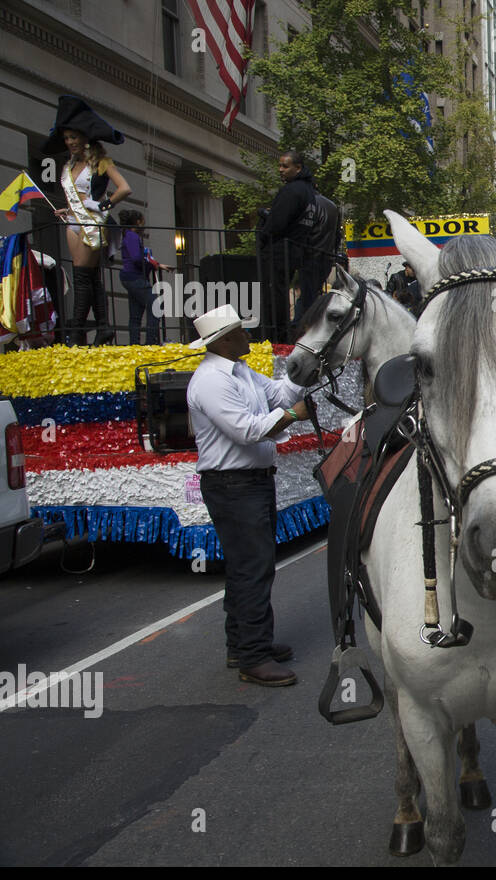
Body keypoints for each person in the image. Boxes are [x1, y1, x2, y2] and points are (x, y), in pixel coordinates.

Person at [186, 304, 310, 686]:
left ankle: (243, 644)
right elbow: (247, 430)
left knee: (248, 566)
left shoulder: (241, 372)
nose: (248, 338)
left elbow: (279, 393)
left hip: (248, 483)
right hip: (233, 485)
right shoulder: (211, 380)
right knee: (253, 568)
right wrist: (293, 415)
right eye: (241, 332)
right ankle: (253, 655)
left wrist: (305, 370)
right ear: (224, 341)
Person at [42, 94, 131, 346]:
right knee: (90, 277)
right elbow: (75, 197)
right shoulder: (68, 167)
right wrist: (65, 209)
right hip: (73, 221)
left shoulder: (101, 162)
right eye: (67, 138)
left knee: (82, 277)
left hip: (92, 222)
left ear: (85, 138)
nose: (70, 142)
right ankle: (102, 327)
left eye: (74, 137)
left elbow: (125, 188)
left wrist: (104, 205)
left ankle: (76, 331)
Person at [259, 150, 338, 341]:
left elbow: (277, 224)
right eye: (280, 166)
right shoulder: (316, 198)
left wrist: (264, 229)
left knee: (282, 294)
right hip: (309, 253)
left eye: (285, 166)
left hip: (295, 252)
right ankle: (295, 330)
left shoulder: (295, 192)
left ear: (298, 168)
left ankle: (287, 333)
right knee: (304, 296)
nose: (281, 170)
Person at [118, 209, 174, 345]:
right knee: (155, 305)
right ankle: (151, 342)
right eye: (142, 221)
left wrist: (157, 264)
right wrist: (152, 265)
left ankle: (135, 344)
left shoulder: (128, 235)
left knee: (136, 312)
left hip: (131, 276)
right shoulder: (132, 236)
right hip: (134, 276)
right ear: (138, 222)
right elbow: (137, 259)